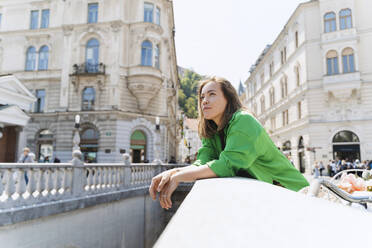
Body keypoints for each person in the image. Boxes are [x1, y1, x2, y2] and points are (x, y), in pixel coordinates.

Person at [149, 77, 309, 210]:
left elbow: (227, 165)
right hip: (270, 198)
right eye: (202, 97)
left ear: (228, 99)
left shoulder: (243, 120)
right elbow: (202, 163)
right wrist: (173, 172)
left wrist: (179, 177)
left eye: (211, 94)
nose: (205, 101)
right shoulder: (211, 130)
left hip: (295, 193)